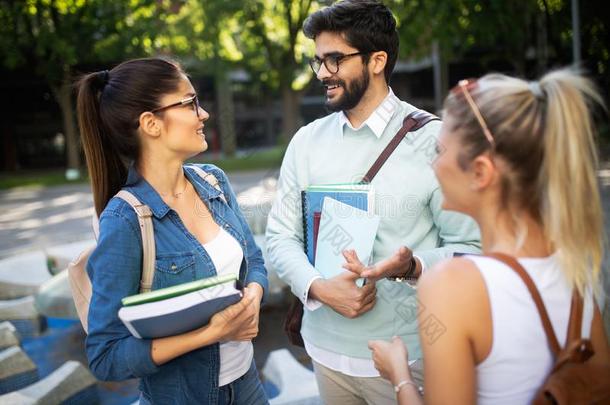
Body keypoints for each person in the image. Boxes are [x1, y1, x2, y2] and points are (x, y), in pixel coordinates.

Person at [265, 1, 480, 403]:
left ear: (377, 60)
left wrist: (413, 265)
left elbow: (474, 250)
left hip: (409, 358)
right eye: (318, 61)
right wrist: (319, 288)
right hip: (325, 353)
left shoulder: (435, 142)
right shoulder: (306, 141)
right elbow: (280, 236)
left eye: (334, 59)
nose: (323, 73)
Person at [361, 69, 610, 404]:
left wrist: (399, 376)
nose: (433, 166)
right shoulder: (577, 267)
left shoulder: (452, 285)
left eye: (439, 151)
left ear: (480, 172)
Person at [76, 57, 269, 404]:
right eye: (190, 102)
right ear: (151, 123)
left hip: (249, 387)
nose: (204, 113)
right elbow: (105, 357)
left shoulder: (214, 181)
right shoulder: (124, 221)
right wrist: (210, 334)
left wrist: (252, 298)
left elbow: (254, 261)